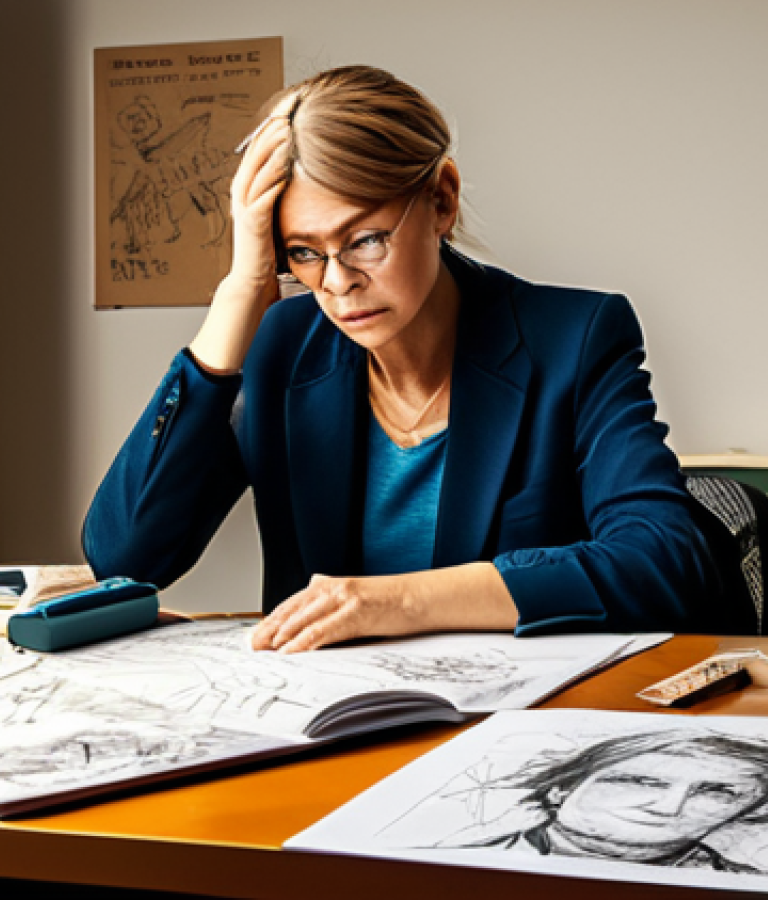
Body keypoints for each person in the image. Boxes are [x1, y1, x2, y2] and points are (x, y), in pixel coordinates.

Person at [83, 65, 722, 652]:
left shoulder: (574, 339)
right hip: (321, 732)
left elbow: (662, 562)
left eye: (364, 240)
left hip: (506, 729)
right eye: (302, 252)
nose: (337, 283)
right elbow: (126, 558)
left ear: (441, 200)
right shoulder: (282, 345)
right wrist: (239, 295)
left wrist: (402, 600)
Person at [444, 729, 768, 873]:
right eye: (636, 781)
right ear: (560, 788)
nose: (667, 809)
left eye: (716, 792)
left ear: (756, 808)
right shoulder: (446, 871)